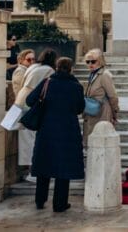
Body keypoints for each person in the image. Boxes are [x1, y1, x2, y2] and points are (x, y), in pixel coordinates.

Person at [27, 56, 84, 213]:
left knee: (44, 165)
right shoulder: (76, 87)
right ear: (71, 68)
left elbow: (30, 100)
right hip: (67, 131)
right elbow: (80, 108)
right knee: (63, 169)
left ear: (56, 67)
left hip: (46, 129)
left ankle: (40, 199)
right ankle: (60, 203)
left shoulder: (47, 83)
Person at [15, 49, 56, 178]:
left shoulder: (34, 67)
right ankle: (33, 171)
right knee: (31, 139)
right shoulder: (49, 70)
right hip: (31, 104)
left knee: (26, 139)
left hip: (21, 101)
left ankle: (28, 170)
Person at [82, 48, 119, 144]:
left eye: (93, 61)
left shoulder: (104, 75)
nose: (90, 64)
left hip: (102, 112)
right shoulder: (92, 74)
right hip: (92, 111)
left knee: (100, 141)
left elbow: (112, 95)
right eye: (88, 62)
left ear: (100, 61)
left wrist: (115, 112)